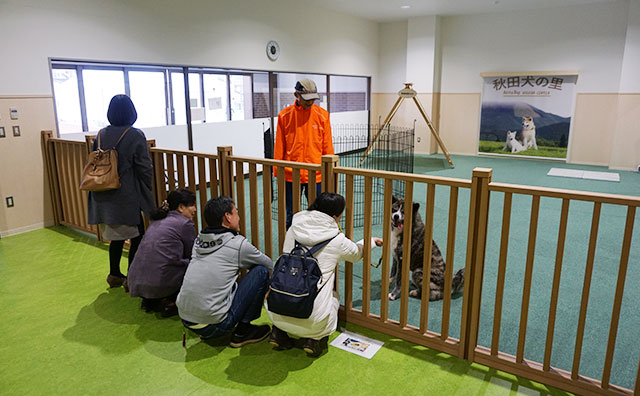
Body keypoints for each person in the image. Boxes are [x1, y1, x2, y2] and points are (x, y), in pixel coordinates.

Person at [266, 192, 383, 357]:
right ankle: (313, 339)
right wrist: (370, 241)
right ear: (335, 216)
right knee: (334, 297)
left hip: (275, 312)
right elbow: (357, 254)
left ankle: (278, 332)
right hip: (313, 320)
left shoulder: (293, 229)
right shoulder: (336, 240)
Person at [177, 196, 274, 347]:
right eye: (236, 212)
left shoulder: (199, 241)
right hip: (214, 325)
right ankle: (243, 331)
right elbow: (268, 266)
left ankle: (210, 325)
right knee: (260, 272)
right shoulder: (237, 245)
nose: (239, 217)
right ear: (227, 217)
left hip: (186, 318)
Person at [87, 94, 154, 290]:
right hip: (125, 196)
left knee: (116, 236)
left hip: (101, 193)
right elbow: (144, 167)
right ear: (132, 112)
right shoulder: (135, 135)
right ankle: (131, 278)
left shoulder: (100, 134)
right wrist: (148, 190)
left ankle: (114, 274)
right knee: (137, 236)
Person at [274, 78, 334, 229]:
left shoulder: (323, 116)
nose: (310, 102)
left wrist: (330, 171)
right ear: (296, 95)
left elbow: (327, 146)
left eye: (313, 98)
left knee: (318, 214)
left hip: (316, 173)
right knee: (291, 214)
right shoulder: (284, 116)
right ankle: (291, 246)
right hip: (290, 174)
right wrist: (277, 173)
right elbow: (279, 147)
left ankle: (315, 244)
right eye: (307, 99)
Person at [127, 189, 197, 317]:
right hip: (160, 283)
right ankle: (171, 302)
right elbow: (192, 254)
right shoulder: (185, 224)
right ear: (181, 207)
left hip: (135, 281)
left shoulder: (158, 221)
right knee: (196, 263)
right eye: (192, 205)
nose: (195, 209)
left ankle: (152, 299)